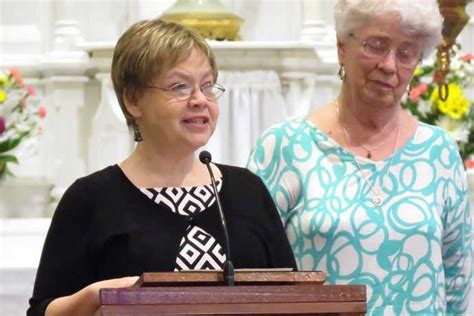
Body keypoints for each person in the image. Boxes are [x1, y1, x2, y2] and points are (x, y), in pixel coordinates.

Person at [28, 19, 296, 316]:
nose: (200, 100)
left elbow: (295, 298)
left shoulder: (248, 190)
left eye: (207, 85)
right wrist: (96, 296)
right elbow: (43, 311)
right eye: (179, 87)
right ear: (133, 100)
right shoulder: (91, 199)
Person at [247, 0, 471, 314]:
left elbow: (457, 280)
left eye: (406, 53)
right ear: (342, 48)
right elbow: (253, 278)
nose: (390, 65)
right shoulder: (284, 146)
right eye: (376, 45)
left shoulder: (440, 151)